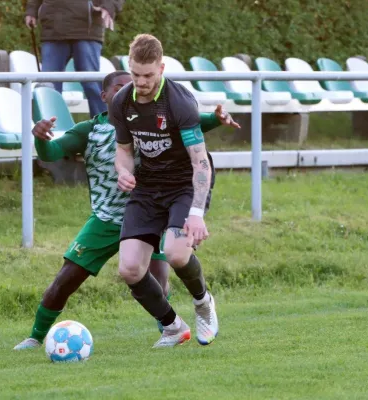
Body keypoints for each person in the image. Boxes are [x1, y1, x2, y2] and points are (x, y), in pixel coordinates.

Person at [14, 71, 238, 350]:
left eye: (130, 87)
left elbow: (189, 124)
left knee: (158, 279)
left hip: (151, 211)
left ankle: (171, 328)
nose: (128, 92)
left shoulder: (147, 121)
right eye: (119, 87)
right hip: (107, 217)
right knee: (66, 279)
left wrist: (215, 119)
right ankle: (36, 336)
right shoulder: (90, 131)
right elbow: (51, 153)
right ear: (105, 96)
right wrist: (41, 139)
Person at [112, 34, 231, 348]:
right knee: (129, 268)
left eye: (149, 75)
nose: (141, 82)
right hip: (148, 186)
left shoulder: (178, 101)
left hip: (183, 184)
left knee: (177, 253)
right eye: (136, 74)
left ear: (161, 68)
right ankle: (173, 327)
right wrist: (123, 171)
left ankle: (203, 303)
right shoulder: (122, 101)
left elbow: (200, 161)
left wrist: (196, 213)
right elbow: (123, 150)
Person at [24, 0, 123, 117]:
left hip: (87, 29)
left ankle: (104, 127)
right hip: (53, 29)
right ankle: (48, 129)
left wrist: (109, 5)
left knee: (92, 84)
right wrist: (31, 10)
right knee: (48, 86)